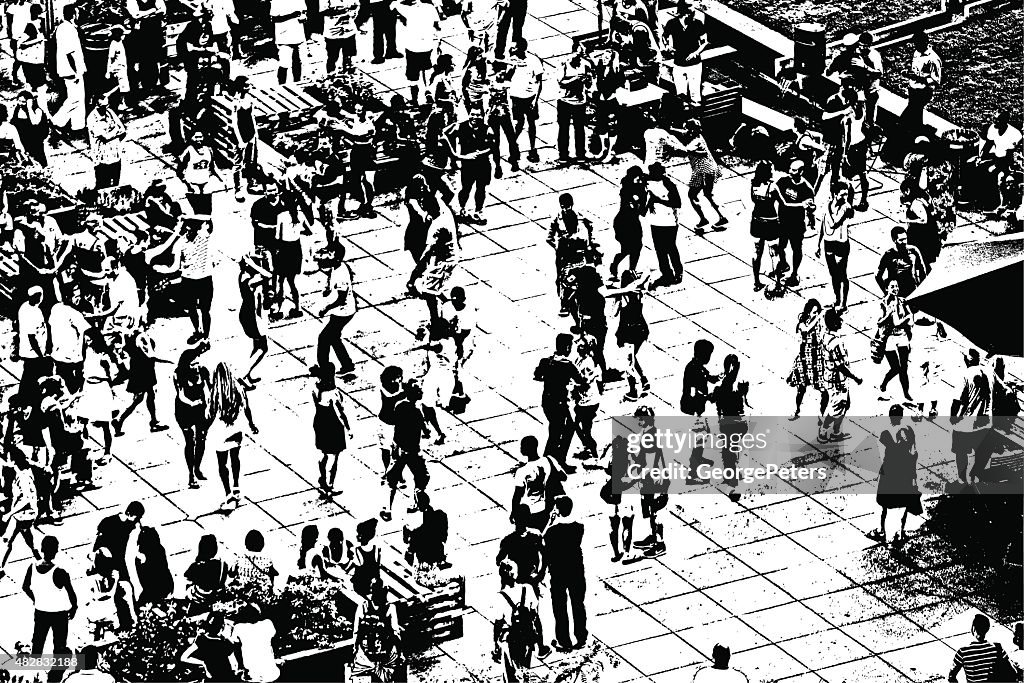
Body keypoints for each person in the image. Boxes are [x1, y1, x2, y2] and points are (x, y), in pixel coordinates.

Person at [207, 362, 258, 511]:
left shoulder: (215, 392)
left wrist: (204, 431)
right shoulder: (239, 388)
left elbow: (210, 414)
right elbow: (247, 408)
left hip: (221, 432)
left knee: (222, 464)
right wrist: (252, 424)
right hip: (236, 430)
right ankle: (237, 487)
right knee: (235, 458)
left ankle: (228, 494)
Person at [868, 404, 922, 546]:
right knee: (904, 504)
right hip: (905, 472)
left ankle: (883, 532)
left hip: (890, 473)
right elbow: (914, 453)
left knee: (886, 505)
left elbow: (883, 455)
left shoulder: (886, 432)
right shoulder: (909, 431)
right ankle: (900, 532)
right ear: (902, 415)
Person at [543, 495, 587, 652]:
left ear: (557, 510)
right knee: (578, 604)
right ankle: (581, 637)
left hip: (558, 572)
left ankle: (564, 640)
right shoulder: (578, 527)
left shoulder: (552, 532)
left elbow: (542, 543)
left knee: (560, 607)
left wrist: (550, 521)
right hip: (576, 571)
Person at [381, 380, 430, 521]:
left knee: (392, 480)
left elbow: (396, 423)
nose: (421, 391)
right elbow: (426, 431)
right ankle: (415, 500)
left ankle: (387, 509)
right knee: (422, 476)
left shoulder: (399, 406)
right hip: (413, 451)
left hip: (398, 449)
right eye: (419, 390)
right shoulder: (417, 411)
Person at [493, 559, 548, 683]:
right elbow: (535, 616)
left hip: (510, 638)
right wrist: (540, 642)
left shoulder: (501, 596)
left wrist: (496, 644)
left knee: (510, 673)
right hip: (527, 636)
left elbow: (498, 623)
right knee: (524, 670)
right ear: (516, 574)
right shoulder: (527, 588)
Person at [534, 333, 584, 468]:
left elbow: (537, 376)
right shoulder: (568, 365)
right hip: (559, 403)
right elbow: (581, 381)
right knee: (559, 432)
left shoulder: (546, 361)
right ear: (567, 347)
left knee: (560, 429)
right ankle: (550, 463)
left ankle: (555, 461)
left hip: (547, 401)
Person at [312, 243, 357, 379]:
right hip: (341, 311)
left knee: (324, 338)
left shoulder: (341, 274)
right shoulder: (338, 267)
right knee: (334, 338)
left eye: (330, 252)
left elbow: (341, 299)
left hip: (343, 312)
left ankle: (324, 368)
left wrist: (326, 309)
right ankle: (347, 365)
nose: (327, 253)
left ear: (336, 257)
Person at [114, 325, 169, 436]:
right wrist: (169, 361)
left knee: (149, 395)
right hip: (144, 370)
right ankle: (120, 419)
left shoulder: (129, 336)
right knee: (139, 398)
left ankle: (153, 422)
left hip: (138, 369)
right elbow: (151, 355)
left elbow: (126, 349)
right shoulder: (141, 337)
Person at [818, 309, 863, 443]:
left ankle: (836, 432)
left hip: (831, 377)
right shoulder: (835, 343)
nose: (841, 321)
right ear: (833, 323)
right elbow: (840, 366)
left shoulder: (825, 336)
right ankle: (824, 431)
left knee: (845, 404)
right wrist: (855, 378)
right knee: (836, 408)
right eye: (838, 319)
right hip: (837, 380)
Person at [951, 349, 994, 487]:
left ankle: (962, 478)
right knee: (981, 452)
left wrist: (953, 416)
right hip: (984, 421)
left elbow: (957, 400)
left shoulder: (964, 375)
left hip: (965, 422)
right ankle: (975, 476)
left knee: (961, 452)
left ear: (967, 360)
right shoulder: (988, 373)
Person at [607, 270, 651, 402]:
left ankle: (633, 390)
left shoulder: (622, 296)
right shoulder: (639, 293)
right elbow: (646, 276)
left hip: (628, 332)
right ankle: (644, 380)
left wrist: (617, 298)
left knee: (628, 362)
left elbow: (613, 313)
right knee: (633, 357)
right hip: (641, 329)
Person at [350, 579, 405, 681]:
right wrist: (400, 653)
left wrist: (355, 649)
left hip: (367, 656)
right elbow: (396, 632)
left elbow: (356, 632)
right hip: (384, 655)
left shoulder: (362, 607)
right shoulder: (390, 608)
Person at [680, 339, 719, 481]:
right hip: (692, 408)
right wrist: (708, 397)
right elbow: (692, 392)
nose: (709, 358)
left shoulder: (699, 367)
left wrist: (718, 377)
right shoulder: (692, 368)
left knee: (703, 435)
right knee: (700, 436)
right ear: (702, 354)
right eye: (708, 355)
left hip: (698, 407)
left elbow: (709, 377)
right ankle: (693, 471)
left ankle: (698, 459)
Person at [678, 119, 727, 232]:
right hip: (710, 168)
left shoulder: (695, 141)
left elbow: (685, 151)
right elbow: (683, 132)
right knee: (708, 194)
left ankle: (703, 219)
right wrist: (671, 130)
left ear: (691, 130)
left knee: (692, 195)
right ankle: (722, 216)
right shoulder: (699, 137)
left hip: (702, 171)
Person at [77, 330, 118, 460]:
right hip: (88, 386)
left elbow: (114, 373)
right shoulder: (86, 351)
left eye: (89, 340)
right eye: (86, 340)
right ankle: (84, 447)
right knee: (82, 420)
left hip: (101, 387)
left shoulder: (104, 355)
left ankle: (107, 452)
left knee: (105, 423)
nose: (87, 342)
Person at [815, 180, 855, 310]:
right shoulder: (828, 205)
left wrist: (828, 209)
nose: (844, 197)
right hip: (829, 242)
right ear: (834, 194)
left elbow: (834, 224)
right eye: (842, 194)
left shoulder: (846, 207)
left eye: (846, 194)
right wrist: (818, 243)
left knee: (842, 273)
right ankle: (837, 299)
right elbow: (823, 224)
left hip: (841, 243)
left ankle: (843, 303)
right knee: (833, 274)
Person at [452, 107, 496, 224]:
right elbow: (445, 135)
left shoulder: (487, 129)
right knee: (465, 188)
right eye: (472, 114)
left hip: (483, 165)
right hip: (467, 165)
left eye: (478, 115)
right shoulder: (460, 127)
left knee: (481, 189)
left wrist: (478, 154)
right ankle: (462, 209)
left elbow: (492, 147)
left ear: (483, 116)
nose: (475, 117)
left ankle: (478, 211)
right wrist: (454, 155)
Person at [312, 363, 351, 497]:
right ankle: (329, 485)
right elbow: (340, 414)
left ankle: (322, 479)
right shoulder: (333, 394)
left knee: (323, 453)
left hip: (319, 421)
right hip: (332, 425)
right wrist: (348, 428)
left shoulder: (315, 389)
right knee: (334, 457)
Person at [775, 160, 815, 286]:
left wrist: (810, 211)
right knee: (780, 246)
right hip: (782, 221)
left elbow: (811, 207)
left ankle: (794, 274)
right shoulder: (783, 181)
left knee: (796, 249)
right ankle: (783, 263)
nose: (790, 172)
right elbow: (774, 193)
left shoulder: (807, 188)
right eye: (790, 169)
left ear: (801, 171)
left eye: (794, 170)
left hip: (796, 224)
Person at [50, 5, 86, 144]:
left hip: (69, 69)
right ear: (73, 15)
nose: (78, 15)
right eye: (76, 13)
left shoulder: (62, 27)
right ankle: (57, 122)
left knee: (78, 99)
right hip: (71, 70)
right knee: (75, 99)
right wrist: (76, 71)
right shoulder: (69, 29)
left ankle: (77, 128)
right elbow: (70, 52)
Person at [949, 614, 1020, 683]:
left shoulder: (963, 651)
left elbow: (951, 676)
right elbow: (1012, 671)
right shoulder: (997, 648)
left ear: (973, 629)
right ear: (987, 629)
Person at [644, 162, 683, 288]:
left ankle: (678, 272)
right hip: (655, 221)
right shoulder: (648, 182)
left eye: (654, 173)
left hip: (669, 222)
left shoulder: (668, 185)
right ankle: (666, 274)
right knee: (660, 250)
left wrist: (658, 200)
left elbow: (677, 203)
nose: (651, 175)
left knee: (670, 248)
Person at [663, 0, 707, 108]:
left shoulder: (698, 24)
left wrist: (695, 53)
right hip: (679, 64)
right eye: (690, 6)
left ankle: (695, 117)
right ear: (683, 9)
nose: (693, 9)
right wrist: (667, 46)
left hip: (695, 65)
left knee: (695, 94)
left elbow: (704, 42)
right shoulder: (672, 23)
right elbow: (664, 36)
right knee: (680, 94)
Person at [395, 0, 441, 104]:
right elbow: (437, 26)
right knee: (427, 69)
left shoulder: (407, 9)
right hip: (427, 45)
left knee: (412, 75)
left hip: (413, 47)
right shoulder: (430, 7)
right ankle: (428, 93)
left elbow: (393, 5)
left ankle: (414, 99)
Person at [878, 279, 915, 403]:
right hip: (889, 337)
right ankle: (884, 383)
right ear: (887, 288)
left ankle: (906, 392)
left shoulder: (903, 301)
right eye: (892, 286)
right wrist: (888, 315)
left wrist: (909, 319)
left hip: (902, 336)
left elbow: (910, 317)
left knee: (904, 367)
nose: (895, 289)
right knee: (895, 368)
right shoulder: (883, 303)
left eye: (897, 286)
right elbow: (879, 322)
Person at [496, 504, 545, 595]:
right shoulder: (535, 535)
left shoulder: (508, 540)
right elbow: (545, 555)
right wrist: (541, 574)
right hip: (523, 580)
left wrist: (540, 574)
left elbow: (499, 561)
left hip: (524, 580)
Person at [508, 38, 543, 164]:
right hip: (516, 96)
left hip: (530, 97)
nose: (512, 49)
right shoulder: (511, 60)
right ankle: (513, 145)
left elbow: (539, 81)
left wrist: (536, 99)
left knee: (531, 123)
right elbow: (505, 78)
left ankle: (532, 149)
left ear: (522, 48)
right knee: (519, 123)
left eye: (514, 47)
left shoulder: (534, 60)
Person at [610, 166, 647, 280]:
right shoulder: (626, 190)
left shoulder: (640, 188)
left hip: (632, 221)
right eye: (637, 177)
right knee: (628, 248)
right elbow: (640, 211)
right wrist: (645, 201)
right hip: (624, 222)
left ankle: (631, 269)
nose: (639, 179)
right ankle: (617, 265)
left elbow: (642, 210)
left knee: (636, 247)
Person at [556, 47, 592, 164]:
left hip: (579, 102)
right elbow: (561, 82)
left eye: (581, 54)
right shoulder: (564, 64)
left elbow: (590, 83)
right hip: (564, 101)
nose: (579, 57)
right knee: (563, 129)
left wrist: (586, 80)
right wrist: (576, 79)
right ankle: (563, 156)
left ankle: (580, 155)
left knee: (580, 129)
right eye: (577, 53)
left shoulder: (586, 65)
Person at [181, 612, 241, 681]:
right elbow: (234, 663)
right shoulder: (224, 642)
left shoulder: (201, 639)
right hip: (226, 676)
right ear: (221, 626)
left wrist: (203, 663)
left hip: (211, 677)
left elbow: (184, 657)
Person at [749, 160, 780, 291]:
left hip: (756, 220)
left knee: (757, 252)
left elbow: (752, 200)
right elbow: (782, 201)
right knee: (774, 253)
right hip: (771, 221)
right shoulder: (772, 187)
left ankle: (756, 282)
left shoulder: (753, 184)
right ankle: (778, 283)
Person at [16, 285, 51, 400]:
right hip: (33, 352)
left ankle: (26, 397)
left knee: (29, 375)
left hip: (34, 351)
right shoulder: (29, 311)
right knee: (30, 376)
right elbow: (31, 337)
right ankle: (26, 398)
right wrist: (41, 355)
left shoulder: (31, 308)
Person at [232, 603, 280, 682]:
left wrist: (241, 667)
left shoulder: (239, 628)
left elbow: (236, 649)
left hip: (252, 675)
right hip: (271, 672)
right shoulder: (267, 624)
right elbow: (275, 642)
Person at [403, 491, 450, 570]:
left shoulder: (423, 519)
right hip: (437, 548)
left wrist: (409, 550)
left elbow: (416, 536)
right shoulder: (438, 514)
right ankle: (440, 561)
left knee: (416, 536)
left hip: (427, 550)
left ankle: (423, 564)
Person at [875, 226, 926, 298]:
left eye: (905, 239)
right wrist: (886, 292)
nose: (904, 242)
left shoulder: (913, 250)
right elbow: (878, 275)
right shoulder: (889, 255)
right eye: (901, 240)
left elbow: (922, 270)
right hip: (898, 294)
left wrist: (922, 289)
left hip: (913, 290)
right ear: (894, 240)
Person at [184, 534, 231, 608]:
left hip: (199, 600)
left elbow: (187, 577)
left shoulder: (196, 566)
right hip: (217, 599)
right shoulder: (223, 565)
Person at [132, 525, 173, 605]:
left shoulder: (141, 557)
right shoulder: (160, 549)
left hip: (153, 590)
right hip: (167, 585)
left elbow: (144, 577)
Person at [270, 0, 306, 83]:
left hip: (298, 33)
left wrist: (304, 17)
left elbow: (303, 12)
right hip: (284, 36)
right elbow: (274, 18)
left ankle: (297, 82)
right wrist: (292, 15)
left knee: (297, 61)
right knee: (284, 63)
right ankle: (282, 84)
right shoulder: (277, 1)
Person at [234, 530, 279, 595]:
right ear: (262, 545)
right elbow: (272, 574)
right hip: (261, 592)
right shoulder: (267, 559)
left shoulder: (240, 557)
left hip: (243, 591)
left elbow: (231, 574)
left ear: (246, 544)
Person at [11, 89, 48, 167]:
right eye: (19, 101)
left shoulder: (37, 110)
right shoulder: (17, 110)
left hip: (34, 141)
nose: (20, 104)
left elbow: (35, 122)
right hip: (21, 140)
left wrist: (29, 108)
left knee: (38, 160)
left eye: (23, 102)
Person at [321, 0, 360, 73]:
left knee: (349, 58)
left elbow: (356, 5)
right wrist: (342, 11)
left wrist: (354, 12)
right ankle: (331, 76)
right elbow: (322, 11)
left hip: (349, 31)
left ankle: (349, 77)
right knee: (332, 58)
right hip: (333, 33)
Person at [105, 26, 130, 109]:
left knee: (123, 86)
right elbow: (110, 59)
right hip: (117, 68)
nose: (124, 36)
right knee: (122, 86)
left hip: (122, 67)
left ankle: (122, 103)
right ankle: (116, 102)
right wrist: (108, 71)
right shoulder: (114, 44)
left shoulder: (120, 43)